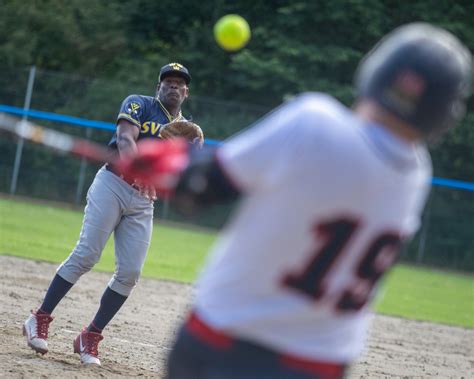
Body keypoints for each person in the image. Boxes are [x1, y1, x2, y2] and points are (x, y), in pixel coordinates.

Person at [119, 23, 472, 379]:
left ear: (377, 72)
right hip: (319, 366)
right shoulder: (415, 174)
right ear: (443, 113)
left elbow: (202, 189)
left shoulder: (315, 121)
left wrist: (169, 164)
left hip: (221, 345)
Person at [22, 62, 193, 365]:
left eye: (180, 83)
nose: (174, 86)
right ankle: (40, 317)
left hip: (143, 202)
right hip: (113, 184)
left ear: (187, 92)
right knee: (88, 254)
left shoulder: (185, 130)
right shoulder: (138, 103)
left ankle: (90, 336)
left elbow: (179, 172)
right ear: (158, 87)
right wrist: (138, 170)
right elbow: (126, 138)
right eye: (168, 81)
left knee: (130, 273)